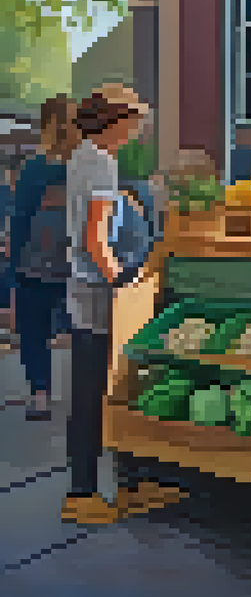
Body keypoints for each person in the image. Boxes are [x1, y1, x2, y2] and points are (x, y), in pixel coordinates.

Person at [63, 85, 183, 525]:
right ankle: (83, 493)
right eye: (137, 122)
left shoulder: (86, 157)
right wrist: (121, 281)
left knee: (119, 386)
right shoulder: (99, 164)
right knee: (97, 390)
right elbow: (96, 236)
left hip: (92, 286)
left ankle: (131, 482)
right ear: (117, 122)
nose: (140, 131)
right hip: (98, 292)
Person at [8, 96, 80, 421]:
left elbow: (20, 218)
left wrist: (13, 263)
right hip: (77, 263)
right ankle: (87, 396)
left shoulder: (34, 167)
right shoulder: (85, 164)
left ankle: (40, 396)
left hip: (35, 263)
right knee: (83, 330)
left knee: (33, 331)